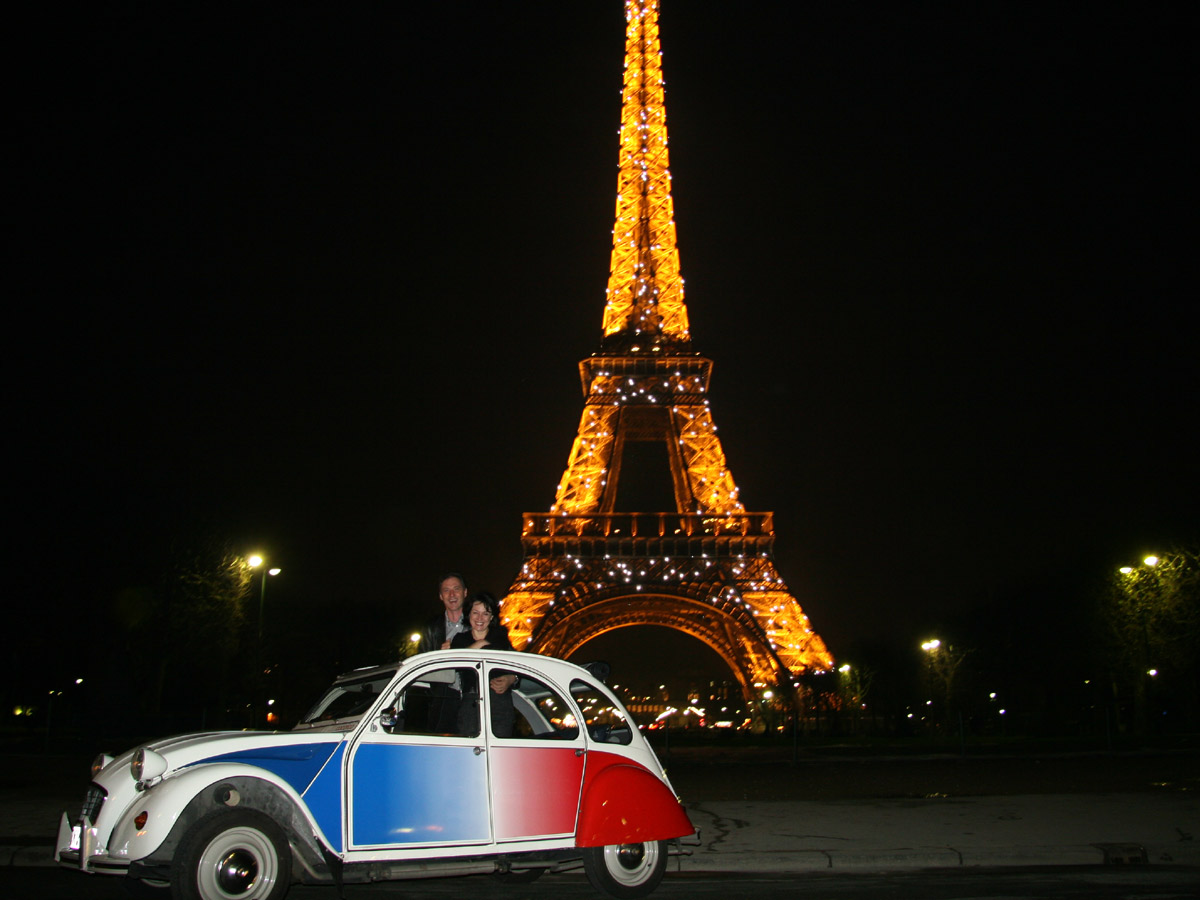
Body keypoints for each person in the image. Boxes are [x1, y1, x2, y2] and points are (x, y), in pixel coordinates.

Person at [450, 592, 518, 737]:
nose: (480, 618)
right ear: (468, 615)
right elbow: (456, 661)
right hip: (470, 707)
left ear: (492, 617)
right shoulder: (460, 640)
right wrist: (480, 644)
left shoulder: (501, 637)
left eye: (485, 613)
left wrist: (511, 679)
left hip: (499, 706)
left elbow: (518, 667)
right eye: (475, 613)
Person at [417, 572, 470, 732]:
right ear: (441, 596)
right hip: (443, 700)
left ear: (465, 592)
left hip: (472, 699)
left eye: (456, 589)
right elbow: (421, 665)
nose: (452, 594)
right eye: (447, 590)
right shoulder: (431, 628)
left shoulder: (478, 623)